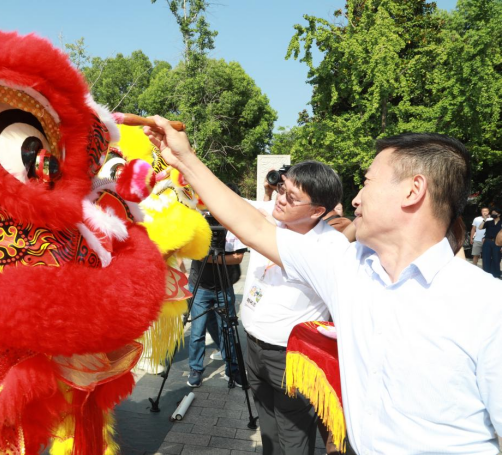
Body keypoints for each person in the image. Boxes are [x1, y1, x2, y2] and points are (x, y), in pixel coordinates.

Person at [144, 117, 501, 455]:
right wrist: (183, 158)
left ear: (413, 190)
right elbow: (250, 225)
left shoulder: (486, 307)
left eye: (368, 182)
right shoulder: (347, 270)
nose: (357, 199)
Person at [241, 163, 349, 455]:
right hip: (253, 346)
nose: (281, 199)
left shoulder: (332, 247)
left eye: (292, 196)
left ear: (317, 210)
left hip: (290, 358)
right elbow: (229, 204)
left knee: (294, 436)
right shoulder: (272, 220)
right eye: (281, 189)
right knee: (269, 431)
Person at [187, 183, 247, 388]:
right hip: (199, 284)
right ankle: (195, 369)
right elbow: (189, 249)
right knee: (197, 331)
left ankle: (233, 370)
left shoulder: (236, 223)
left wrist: (209, 257)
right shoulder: (200, 219)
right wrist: (214, 256)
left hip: (224, 285)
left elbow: (238, 258)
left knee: (228, 329)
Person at [479, 208, 502, 278]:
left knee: (496, 258)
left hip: (497, 243)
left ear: (499, 214)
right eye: (492, 213)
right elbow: (480, 227)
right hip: (487, 241)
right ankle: (486, 274)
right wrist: (484, 219)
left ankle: (495, 274)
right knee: (486, 258)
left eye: (494, 213)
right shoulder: (489, 222)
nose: (493, 214)